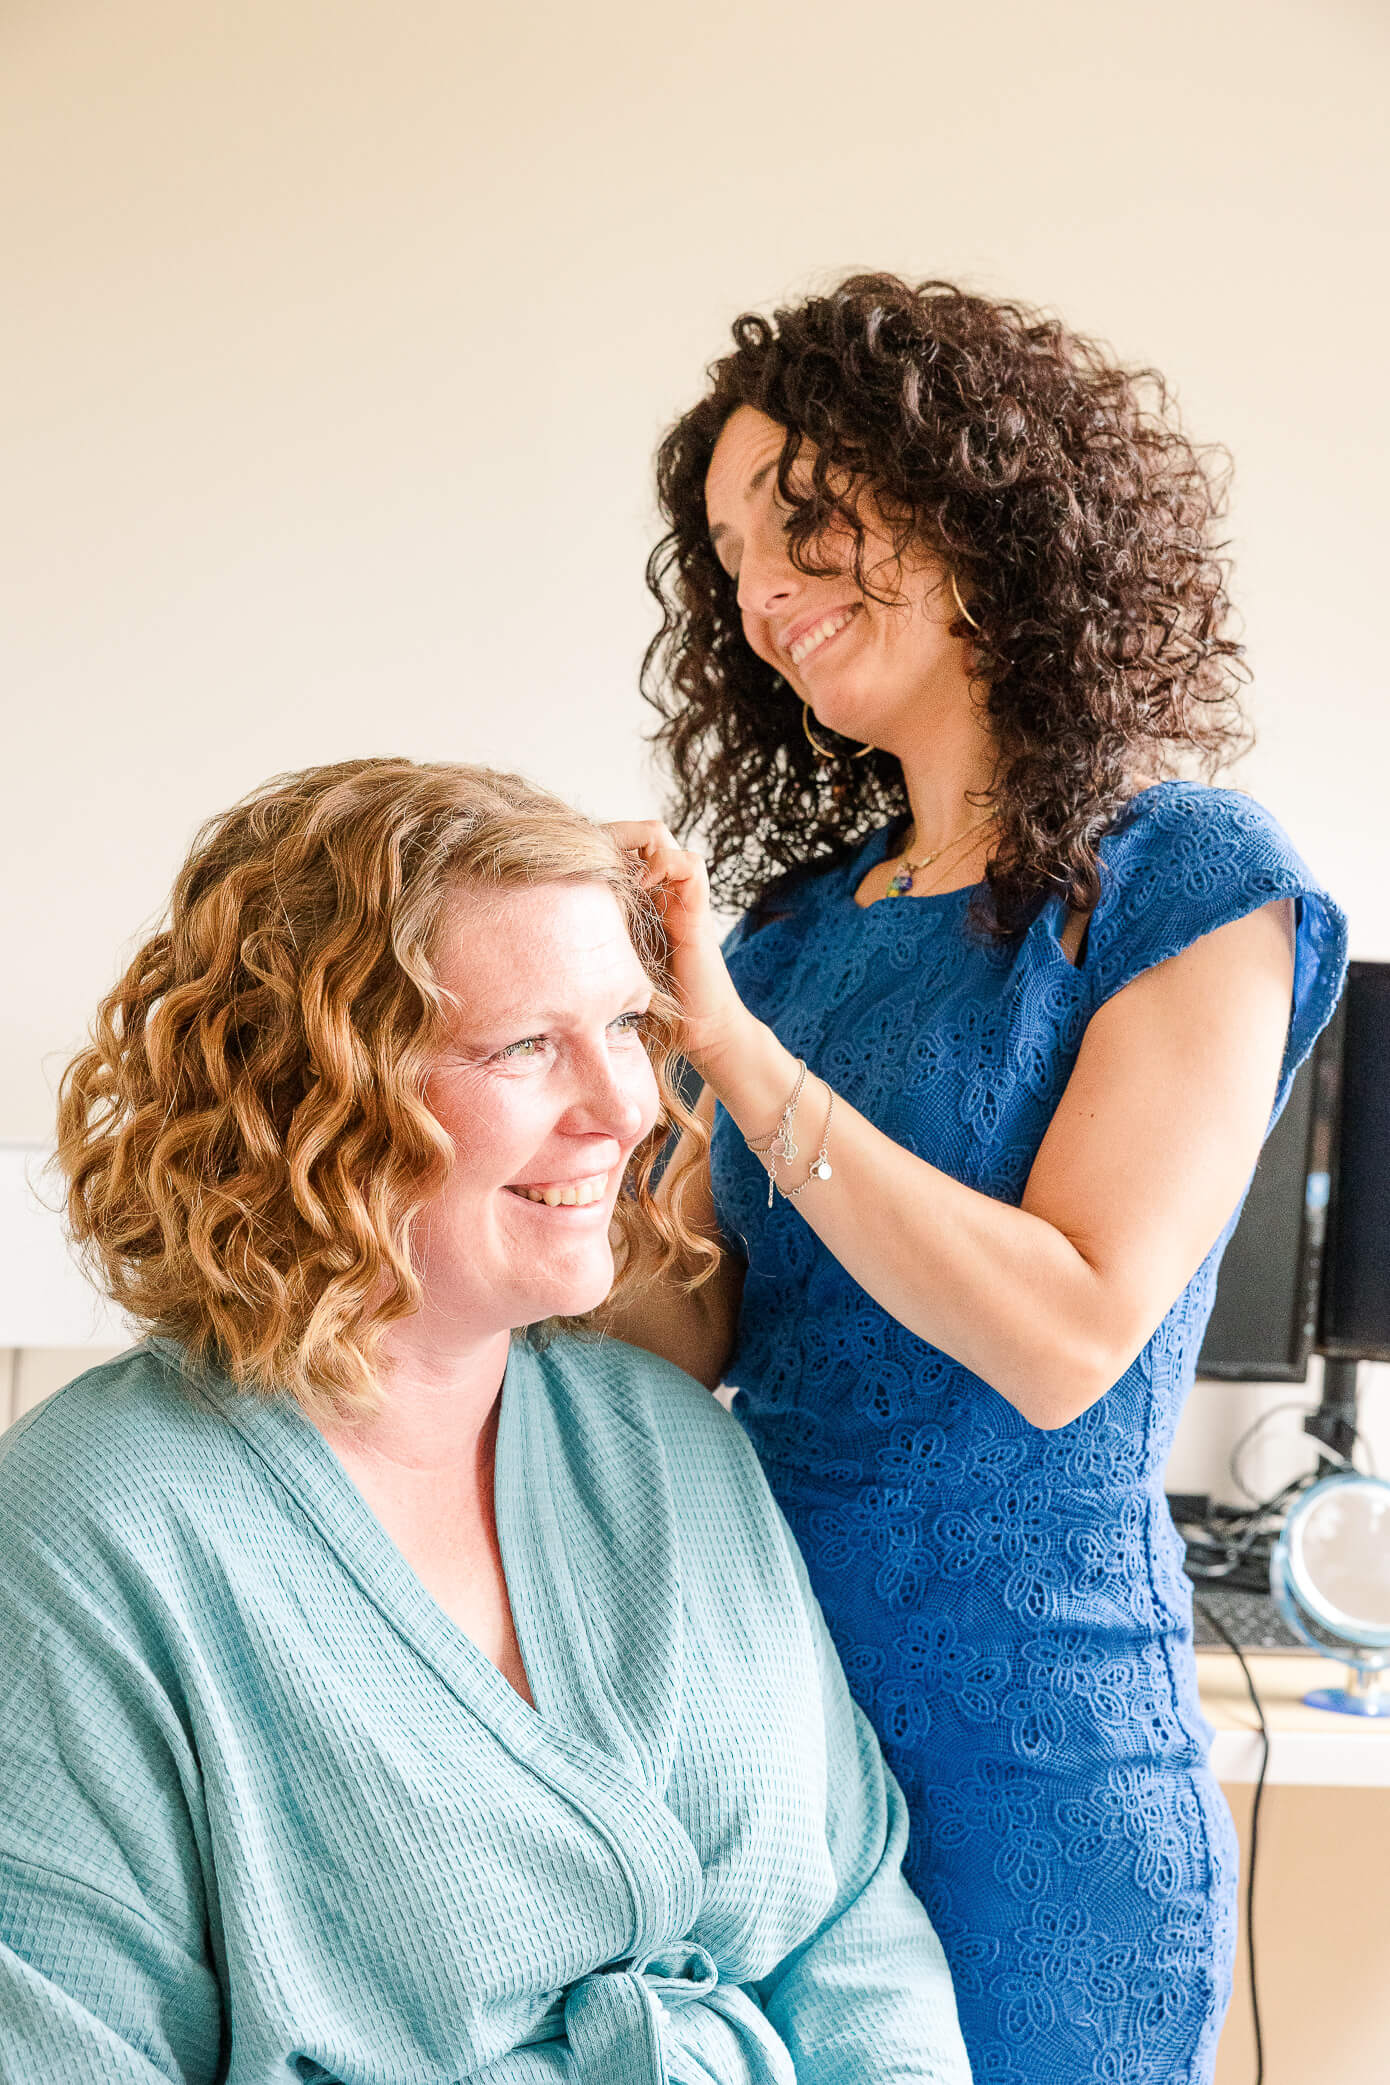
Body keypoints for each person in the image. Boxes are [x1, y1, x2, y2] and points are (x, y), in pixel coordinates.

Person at [605, 275, 1348, 2083]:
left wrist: (731, 1050)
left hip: (1026, 1768)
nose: (759, 588)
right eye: (723, 556)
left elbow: (1067, 1332)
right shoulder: (789, 934)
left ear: (971, 499)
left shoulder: (1190, 877)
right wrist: (575, 1135)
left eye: (802, 518)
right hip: (759, 1734)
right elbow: (676, 1338)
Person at [0, 759, 971, 2085]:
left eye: (628, 1025)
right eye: (527, 1045)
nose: (625, 1106)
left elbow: (854, 1931)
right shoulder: (89, 1532)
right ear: (309, 1091)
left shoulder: (667, 1444)